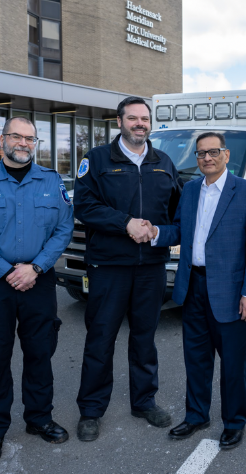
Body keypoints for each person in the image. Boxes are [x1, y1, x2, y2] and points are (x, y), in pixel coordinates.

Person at [0, 116, 74, 465]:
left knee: (40, 352)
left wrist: (36, 267)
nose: (23, 143)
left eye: (30, 138)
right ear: (3, 139)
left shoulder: (52, 183)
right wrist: (8, 271)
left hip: (39, 281)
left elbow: (63, 229)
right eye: (16, 136)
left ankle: (39, 418)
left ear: (35, 143)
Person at [148, 132, 246, 450]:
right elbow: (180, 231)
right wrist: (156, 232)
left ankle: (234, 422)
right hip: (193, 286)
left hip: (230, 291)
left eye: (213, 152)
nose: (207, 158)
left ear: (226, 155)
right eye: (200, 154)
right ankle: (197, 415)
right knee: (196, 359)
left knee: (232, 363)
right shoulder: (189, 191)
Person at [74, 96, 182, 442]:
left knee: (144, 338)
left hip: (150, 266)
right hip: (108, 267)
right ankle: (91, 410)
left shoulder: (164, 161)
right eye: (133, 118)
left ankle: (144, 401)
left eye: (145, 118)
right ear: (119, 122)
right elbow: (85, 206)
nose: (140, 123)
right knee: (100, 339)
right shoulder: (97, 160)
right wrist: (126, 224)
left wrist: (157, 233)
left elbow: (176, 213)